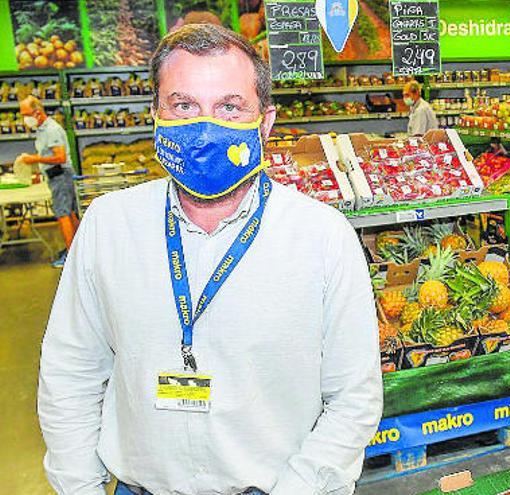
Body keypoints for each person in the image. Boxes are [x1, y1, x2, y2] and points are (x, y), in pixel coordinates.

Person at [38, 24, 383, 495]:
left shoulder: (321, 237)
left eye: (229, 106)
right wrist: (79, 487)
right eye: (184, 106)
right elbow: (69, 371)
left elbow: (354, 397)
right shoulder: (108, 226)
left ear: (265, 123)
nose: (205, 127)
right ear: (155, 117)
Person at [18, 95, 78, 267]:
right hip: (56, 175)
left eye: (26, 114)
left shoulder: (51, 129)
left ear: (37, 113)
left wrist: (33, 159)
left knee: (63, 214)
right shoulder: (42, 129)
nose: (24, 118)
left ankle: (71, 259)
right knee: (70, 213)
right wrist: (39, 169)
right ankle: (74, 250)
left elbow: (59, 156)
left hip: (61, 176)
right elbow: (48, 155)